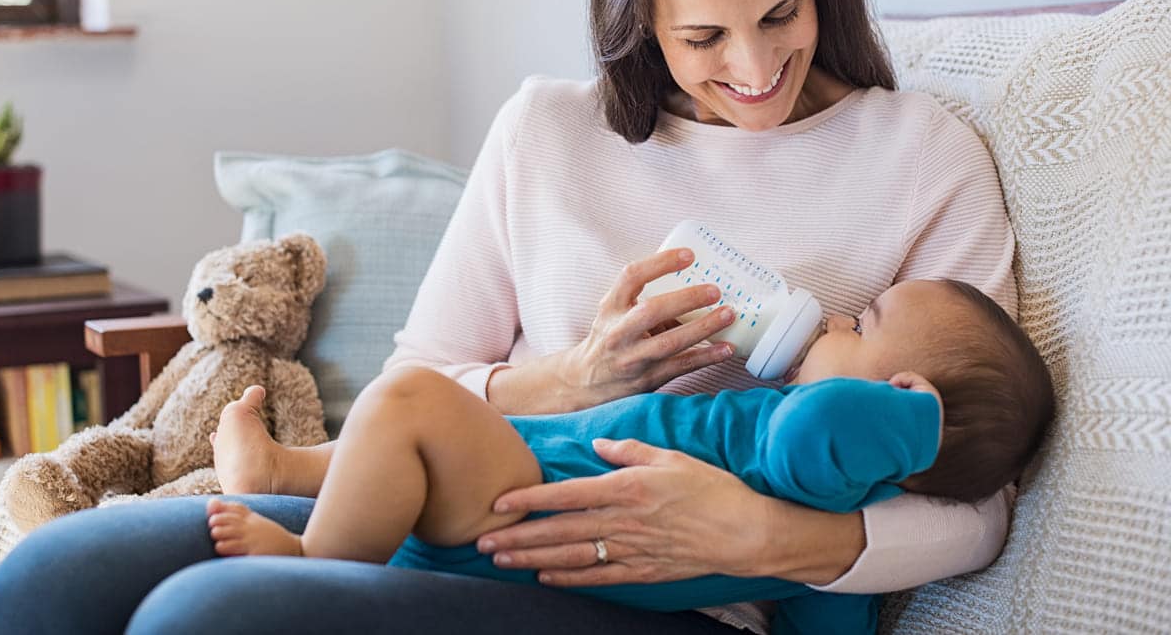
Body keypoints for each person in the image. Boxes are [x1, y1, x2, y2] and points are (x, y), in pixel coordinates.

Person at [0, 0, 1024, 635]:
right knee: (59, 569)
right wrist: (573, 379)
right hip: (465, 510)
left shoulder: (918, 154)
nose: (752, 70)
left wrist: (762, 532)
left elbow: (976, 497)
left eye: (780, 15)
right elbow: (410, 383)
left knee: (205, 614)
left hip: (687, 594)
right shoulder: (546, 132)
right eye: (702, 38)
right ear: (638, 25)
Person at [203, 278, 1054, 635]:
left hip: (527, 512)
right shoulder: (814, 516)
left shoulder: (810, 455)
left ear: (900, 402)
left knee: (412, 404)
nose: (833, 319)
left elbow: (832, 429)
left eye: (860, 326)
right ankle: (288, 472)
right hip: (528, 470)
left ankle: (315, 558)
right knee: (422, 427)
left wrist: (912, 425)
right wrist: (574, 370)